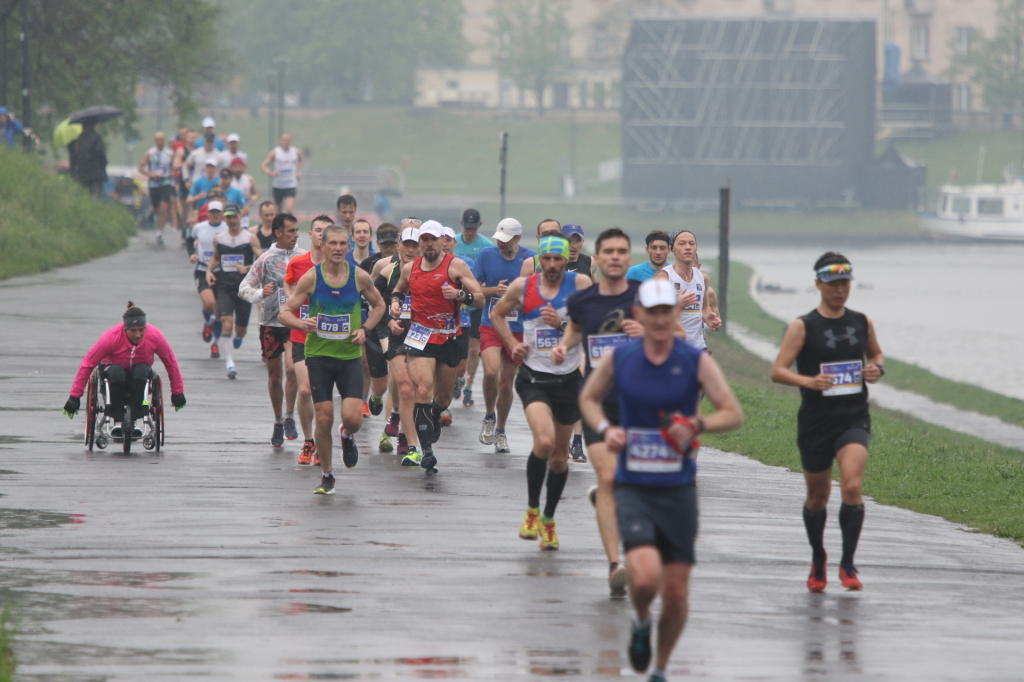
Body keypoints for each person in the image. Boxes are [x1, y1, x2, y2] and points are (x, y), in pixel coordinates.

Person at [579, 278, 743, 682]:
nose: (657, 319)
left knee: (674, 593)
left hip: (678, 490)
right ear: (639, 315)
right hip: (634, 484)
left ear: (675, 315)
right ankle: (639, 620)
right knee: (647, 576)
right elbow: (588, 397)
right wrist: (605, 428)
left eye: (665, 311)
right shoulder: (621, 359)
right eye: (650, 312)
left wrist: (697, 423)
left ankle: (661, 668)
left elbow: (732, 413)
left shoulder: (695, 360)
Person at [770, 253, 884, 593]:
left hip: (853, 416)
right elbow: (777, 370)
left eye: (845, 284)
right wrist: (809, 382)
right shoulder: (803, 326)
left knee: (851, 486)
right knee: (817, 497)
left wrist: (876, 369)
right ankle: (818, 557)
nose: (839, 290)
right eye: (833, 284)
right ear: (818, 284)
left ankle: (848, 564)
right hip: (816, 421)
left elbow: (877, 355)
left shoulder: (861, 321)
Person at [492, 235, 591, 550]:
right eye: (546, 260)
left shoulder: (581, 285)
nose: (551, 266)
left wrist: (563, 333)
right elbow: (496, 315)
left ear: (566, 260)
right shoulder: (524, 287)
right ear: (539, 261)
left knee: (560, 458)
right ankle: (532, 511)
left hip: (569, 381)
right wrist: (512, 344)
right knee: (545, 442)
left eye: (557, 260)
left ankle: (549, 519)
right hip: (534, 377)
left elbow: (594, 324)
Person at [279, 225, 386, 495]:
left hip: (349, 357)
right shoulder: (311, 279)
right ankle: (327, 475)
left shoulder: (359, 277)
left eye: (342, 244)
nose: (338, 248)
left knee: (353, 419)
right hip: (319, 357)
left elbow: (380, 305)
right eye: (333, 244)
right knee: (323, 418)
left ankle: (347, 435)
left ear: (348, 248)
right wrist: (302, 325)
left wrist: (365, 329)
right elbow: (284, 313)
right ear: (323, 247)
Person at [388, 221, 484, 472]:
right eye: (425, 240)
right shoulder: (410, 269)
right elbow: (398, 291)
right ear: (419, 242)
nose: (429, 244)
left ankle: (435, 412)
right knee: (422, 389)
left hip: (448, 337)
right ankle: (426, 451)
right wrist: (395, 304)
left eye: (433, 240)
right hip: (420, 336)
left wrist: (461, 296)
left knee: (441, 398)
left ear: (443, 240)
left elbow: (480, 298)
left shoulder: (456, 266)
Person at [63, 302, 187, 438]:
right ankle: (117, 420)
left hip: (140, 372)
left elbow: (171, 362)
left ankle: (135, 419)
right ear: (125, 329)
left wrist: (177, 392)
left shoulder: (155, 336)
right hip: (113, 371)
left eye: (141, 330)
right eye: (133, 331)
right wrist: (75, 396)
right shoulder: (111, 337)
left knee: (141, 371)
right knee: (117, 372)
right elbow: (87, 364)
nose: (138, 335)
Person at [240, 213, 305, 446]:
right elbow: (243, 287)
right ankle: (278, 420)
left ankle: (290, 416)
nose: (296, 235)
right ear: (278, 233)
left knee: (291, 369)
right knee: (275, 377)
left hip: (295, 324)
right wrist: (260, 294)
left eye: (297, 231)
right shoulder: (266, 259)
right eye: (291, 231)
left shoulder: (304, 257)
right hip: (270, 324)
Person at [473, 218, 537, 453]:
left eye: (506, 241)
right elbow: (474, 288)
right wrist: (494, 291)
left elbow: (538, 291)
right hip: (491, 322)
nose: (500, 244)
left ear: (518, 239)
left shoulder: (531, 259)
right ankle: (489, 416)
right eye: (499, 240)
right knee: (490, 372)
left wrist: (519, 301)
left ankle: (500, 430)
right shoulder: (486, 256)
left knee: (505, 382)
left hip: (518, 328)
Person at [284, 215, 332, 466]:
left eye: (326, 231)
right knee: (304, 391)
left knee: (321, 393)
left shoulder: (337, 267)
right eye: (317, 230)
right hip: (302, 335)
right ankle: (308, 440)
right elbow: (288, 282)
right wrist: (294, 303)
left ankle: (323, 440)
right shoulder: (298, 263)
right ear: (311, 235)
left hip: (329, 339)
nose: (321, 235)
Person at [375, 221, 421, 457]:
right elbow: (373, 302)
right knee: (401, 379)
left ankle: (401, 425)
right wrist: (388, 320)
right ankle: (396, 422)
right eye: (407, 245)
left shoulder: (429, 269)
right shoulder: (386, 269)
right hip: (390, 329)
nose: (411, 250)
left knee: (414, 387)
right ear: (399, 246)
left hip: (419, 333)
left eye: (416, 245)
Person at [206, 204, 263, 379]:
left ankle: (237, 338)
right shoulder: (219, 238)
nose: (231, 220)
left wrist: (247, 267)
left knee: (240, 331)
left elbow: (261, 261)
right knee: (227, 322)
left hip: (244, 289)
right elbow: (216, 257)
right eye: (228, 217)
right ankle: (230, 363)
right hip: (224, 287)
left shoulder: (250, 238)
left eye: (234, 217)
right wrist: (209, 271)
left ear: (240, 217)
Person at [359, 223, 399, 423]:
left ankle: (391, 424)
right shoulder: (369, 264)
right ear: (378, 243)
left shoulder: (406, 264)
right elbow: (362, 295)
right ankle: (376, 395)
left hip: (398, 325)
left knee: (397, 374)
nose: (389, 248)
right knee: (381, 384)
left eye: (393, 244)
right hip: (375, 324)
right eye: (385, 244)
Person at [653, 230, 720, 351]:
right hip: (671, 347)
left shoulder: (702, 277)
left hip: (698, 347)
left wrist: (708, 318)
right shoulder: (664, 277)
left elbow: (704, 308)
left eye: (691, 244)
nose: (688, 247)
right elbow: (652, 315)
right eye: (682, 244)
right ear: (672, 249)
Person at [440, 226, 474, 425]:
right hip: (439, 323)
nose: (444, 243)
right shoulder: (430, 264)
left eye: (448, 239)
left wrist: (460, 294)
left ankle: (457, 382)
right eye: (441, 239)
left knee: (460, 370)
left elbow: (475, 291)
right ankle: (443, 408)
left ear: (455, 242)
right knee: (443, 367)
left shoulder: (464, 263)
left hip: (463, 320)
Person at [187, 199, 227, 357]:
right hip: (203, 270)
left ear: (222, 214)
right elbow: (190, 241)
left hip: (221, 272)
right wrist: (192, 254)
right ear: (208, 213)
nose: (215, 215)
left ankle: (215, 343)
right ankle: (208, 321)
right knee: (209, 303)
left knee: (219, 310)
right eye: (213, 212)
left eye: (218, 212)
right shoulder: (199, 228)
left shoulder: (227, 229)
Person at [137, 132, 176, 245]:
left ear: (164, 141)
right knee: (155, 208)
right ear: (155, 141)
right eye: (158, 140)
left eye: (162, 140)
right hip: (154, 184)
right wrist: (150, 175)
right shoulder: (150, 153)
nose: (160, 142)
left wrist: (172, 173)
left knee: (164, 207)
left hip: (165, 182)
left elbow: (174, 167)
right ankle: (151, 213)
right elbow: (140, 168)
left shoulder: (169, 154)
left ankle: (160, 232)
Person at [262, 133, 302, 214]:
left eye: (288, 140)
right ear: (280, 141)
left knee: (289, 210)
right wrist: (271, 172)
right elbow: (264, 166)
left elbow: (300, 160)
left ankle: (289, 225)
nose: (286, 142)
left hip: (290, 184)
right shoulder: (275, 152)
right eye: (284, 140)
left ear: (291, 141)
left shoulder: (295, 152)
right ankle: (280, 225)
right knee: (279, 211)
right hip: (278, 185)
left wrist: (299, 172)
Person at [69, 119, 107, 197]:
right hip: (95, 174)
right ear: (93, 126)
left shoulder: (77, 140)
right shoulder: (96, 138)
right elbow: (101, 155)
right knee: (95, 196)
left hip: (81, 174)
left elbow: (74, 157)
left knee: (84, 195)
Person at [229, 158, 258, 229]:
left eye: (240, 167)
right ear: (231, 168)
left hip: (244, 211)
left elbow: (255, 193)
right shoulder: (229, 180)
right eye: (235, 167)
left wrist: (253, 199)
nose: (238, 169)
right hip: (232, 210)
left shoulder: (249, 179)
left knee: (244, 230)